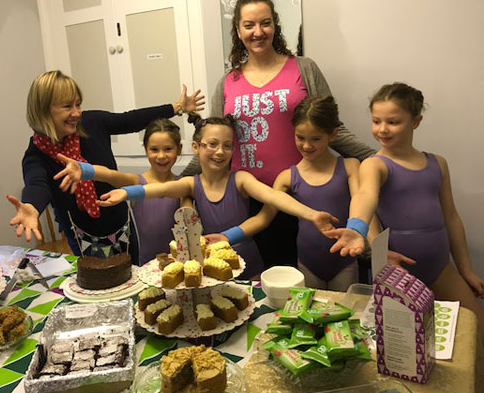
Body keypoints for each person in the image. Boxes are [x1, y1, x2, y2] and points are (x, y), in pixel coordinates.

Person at [182, 0, 373, 270]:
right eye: (249, 25)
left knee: (300, 281)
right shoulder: (227, 82)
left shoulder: (303, 68)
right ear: (238, 30)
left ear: (275, 25)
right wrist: (174, 179)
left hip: (299, 196)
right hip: (244, 200)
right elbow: (214, 140)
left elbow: (333, 128)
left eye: (265, 23)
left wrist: (378, 159)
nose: (258, 32)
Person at [327, 82, 484, 339]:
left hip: (440, 267)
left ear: (416, 121)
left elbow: (451, 218)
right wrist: (357, 227)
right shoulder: (375, 164)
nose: (382, 129)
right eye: (376, 121)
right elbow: (366, 195)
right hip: (398, 270)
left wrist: (466, 270)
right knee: (406, 341)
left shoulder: (438, 164)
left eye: (393, 122)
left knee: (474, 327)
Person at [98, 115, 339, 280]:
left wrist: (312, 214)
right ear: (196, 147)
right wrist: (126, 192)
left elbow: (273, 197)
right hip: (213, 271)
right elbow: (159, 189)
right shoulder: (191, 184)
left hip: (249, 265)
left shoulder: (241, 179)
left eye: (227, 145)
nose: (219, 152)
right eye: (212, 144)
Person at [7, 70, 204, 261]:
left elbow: (131, 119)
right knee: (95, 286)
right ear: (43, 110)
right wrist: (32, 207)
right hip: (81, 235)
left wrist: (176, 107)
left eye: (78, 104)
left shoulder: (91, 122)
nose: (76, 113)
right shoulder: (37, 154)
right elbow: (36, 183)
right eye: (67, 106)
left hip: (121, 223)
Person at [52, 118, 189, 264]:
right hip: (145, 266)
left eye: (168, 149)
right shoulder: (137, 181)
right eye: (154, 149)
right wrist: (85, 169)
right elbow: (110, 175)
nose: (161, 156)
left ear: (179, 149)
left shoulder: (183, 185)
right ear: (146, 150)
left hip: (178, 264)